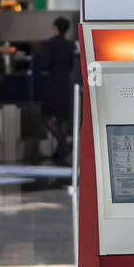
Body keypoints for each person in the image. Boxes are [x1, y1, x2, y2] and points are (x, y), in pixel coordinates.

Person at [41, 16, 78, 165]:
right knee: (63, 117)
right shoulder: (70, 45)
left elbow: (45, 64)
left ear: (55, 27)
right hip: (66, 83)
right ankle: (60, 151)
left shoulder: (50, 44)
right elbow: (71, 64)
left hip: (53, 84)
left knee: (46, 115)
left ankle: (63, 144)